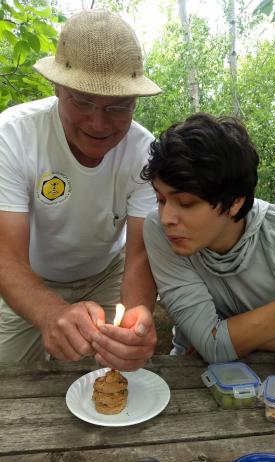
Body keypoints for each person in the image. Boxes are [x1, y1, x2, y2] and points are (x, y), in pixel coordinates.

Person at [0, 9, 162, 368]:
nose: (98, 123)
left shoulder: (145, 153)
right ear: (57, 88)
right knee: (10, 377)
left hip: (106, 275)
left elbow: (138, 256)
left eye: (118, 108)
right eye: (82, 101)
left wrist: (137, 318)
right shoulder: (12, 136)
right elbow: (6, 257)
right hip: (31, 277)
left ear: (135, 102)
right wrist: (48, 313)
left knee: (112, 371)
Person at [141, 113, 275, 363]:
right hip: (189, 373)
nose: (166, 217)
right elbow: (211, 346)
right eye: (160, 199)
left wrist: (223, 337)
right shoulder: (159, 231)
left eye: (186, 203)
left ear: (234, 203)